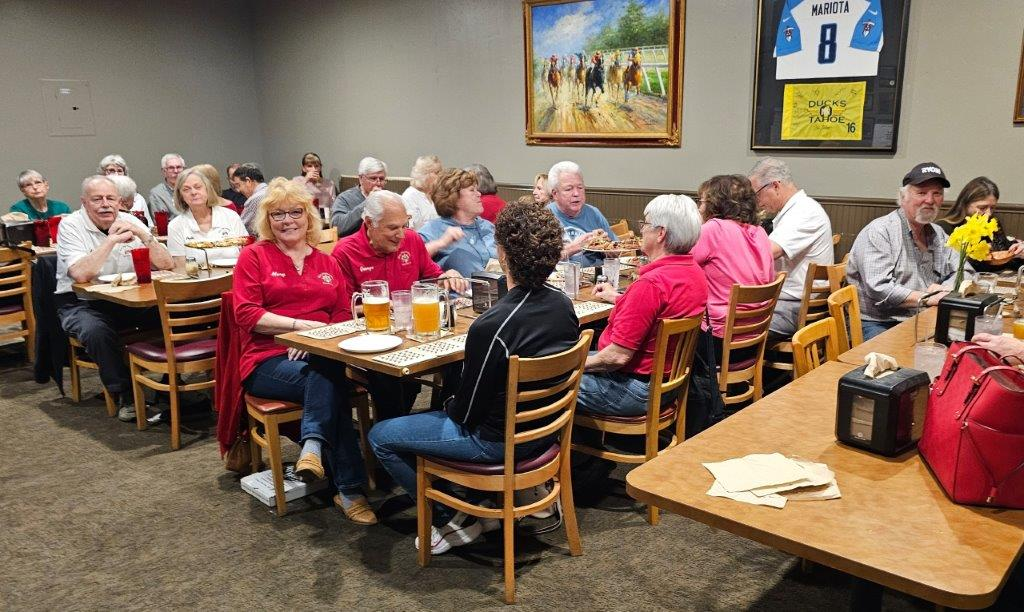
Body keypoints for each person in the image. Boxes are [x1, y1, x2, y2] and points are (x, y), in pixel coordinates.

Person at [369, 199, 578, 553]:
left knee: (381, 436)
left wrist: (445, 404)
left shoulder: (491, 326)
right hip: (546, 432)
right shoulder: (563, 304)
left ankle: (453, 517)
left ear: (502, 253)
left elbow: (465, 414)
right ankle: (483, 499)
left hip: (497, 442)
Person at [233, 177, 376, 525]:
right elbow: (246, 314)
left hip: (318, 354)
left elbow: (342, 316)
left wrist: (314, 344)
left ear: (308, 216)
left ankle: (313, 448)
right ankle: (348, 488)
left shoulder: (327, 262)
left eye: (295, 212)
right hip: (266, 360)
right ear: (267, 220)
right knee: (332, 380)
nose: (288, 221)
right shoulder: (253, 256)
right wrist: (298, 331)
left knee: (325, 372)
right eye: (278, 214)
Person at [332, 190, 464, 420]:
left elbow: (433, 277)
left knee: (459, 358)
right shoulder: (345, 251)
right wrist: (387, 306)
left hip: (414, 332)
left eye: (405, 225)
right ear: (369, 223)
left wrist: (447, 276)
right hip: (374, 341)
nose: (401, 234)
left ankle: (443, 419)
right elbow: (343, 310)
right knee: (389, 377)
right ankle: (389, 432)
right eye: (393, 228)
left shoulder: (412, 240)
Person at [578, 195, 708, 423]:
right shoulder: (694, 272)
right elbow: (655, 312)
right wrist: (619, 298)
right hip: (668, 384)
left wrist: (571, 367)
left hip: (633, 388)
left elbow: (617, 357)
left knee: (547, 379)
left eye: (645, 224)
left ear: (661, 233)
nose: (641, 230)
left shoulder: (651, 285)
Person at [54, 176, 173, 421]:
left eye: (110, 199)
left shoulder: (130, 220)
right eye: (97, 199)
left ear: (120, 202)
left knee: (173, 313)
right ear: (84, 202)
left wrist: (143, 234)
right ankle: (124, 394)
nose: (105, 204)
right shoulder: (70, 225)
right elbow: (80, 274)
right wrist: (110, 241)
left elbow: (167, 264)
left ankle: (171, 384)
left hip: (127, 299)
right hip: (81, 302)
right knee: (95, 331)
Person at [847, 162, 964, 340]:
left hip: (922, 316)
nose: (930, 200)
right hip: (879, 322)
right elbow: (879, 288)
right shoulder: (880, 231)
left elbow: (964, 270)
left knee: (969, 344)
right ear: (903, 197)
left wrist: (946, 289)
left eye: (937, 193)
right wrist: (928, 297)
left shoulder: (938, 233)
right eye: (921, 193)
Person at [748, 157, 834, 336]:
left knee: (726, 326)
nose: (756, 202)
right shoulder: (796, 210)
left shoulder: (804, 212)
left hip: (796, 307)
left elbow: (768, 252)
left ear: (775, 186)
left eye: (757, 194)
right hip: (790, 301)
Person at [419, 168, 497, 277]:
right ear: (453, 196)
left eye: (477, 189)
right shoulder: (433, 229)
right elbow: (413, 260)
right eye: (472, 190)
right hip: (458, 288)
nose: (479, 194)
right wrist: (440, 243)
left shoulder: (488, 227)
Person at [937, 177, 1023, 272]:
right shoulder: (943, 228)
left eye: (992, 208)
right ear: (965, 204)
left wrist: (1018, 253)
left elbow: (1007, 257)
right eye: (982, 208)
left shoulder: (992, 223)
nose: (988, 213)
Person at [166, 167, 247, 266]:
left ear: (207, 189)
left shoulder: (230, 216)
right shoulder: (175, 226)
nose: (193, 192)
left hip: (235, 274)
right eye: (186, 189)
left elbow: (247, 252)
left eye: (198, 187)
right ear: (181, 196)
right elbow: (181, 266)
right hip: (196, 276)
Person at [545, 161, 615, 266]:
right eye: (569, 189)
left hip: (597, 274)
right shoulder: (544, 217)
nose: (576, 193)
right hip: (560, 275)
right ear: (555, 194)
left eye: (580, 187)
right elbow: (539, 261)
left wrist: (607, 248)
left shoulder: (594, 213)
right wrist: (574, 247)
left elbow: (616, 252)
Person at [330, 157, 387, 237]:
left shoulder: (388, 198)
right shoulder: (344, 198)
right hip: (355, 243)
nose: (378, 183)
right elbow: (337, 228)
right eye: (373, 178)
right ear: (361, 178)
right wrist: (368, 202)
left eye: (381, 179)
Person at [98, 154, 151, 221]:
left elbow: (149, 224)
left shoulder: (138, 198)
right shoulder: (96, 197)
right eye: (111, 170)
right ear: (103, 174)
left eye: (120, 171)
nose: (116, 174)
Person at [401, 155, 442, 230]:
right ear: (425, 174)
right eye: (437, 172)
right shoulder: (409, 196)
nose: (441, 175)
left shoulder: (436, 194)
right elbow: (409, 229)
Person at [292, 152, 336, 218]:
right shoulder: (297, 181)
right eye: (309, 166)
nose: (314, 169)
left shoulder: (329, 183)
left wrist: (322, 185)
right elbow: (293, 199)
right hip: (305, 215)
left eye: (316, 166)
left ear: (320, 168)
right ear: (304, 168)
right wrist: (306, 179)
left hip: (324, 216)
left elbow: (333, 204)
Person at [148, 153, 186, 220]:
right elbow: (162, 222)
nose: (176, 171)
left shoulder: (191, 189)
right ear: (164, 172)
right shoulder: (157, 194)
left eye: (179, 167)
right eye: (171, 168)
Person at [235, 163, 269, 235]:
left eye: (238, 185)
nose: (238, 190)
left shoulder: (255, 199)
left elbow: (241, 228)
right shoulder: (273, 191)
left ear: (248, 181)